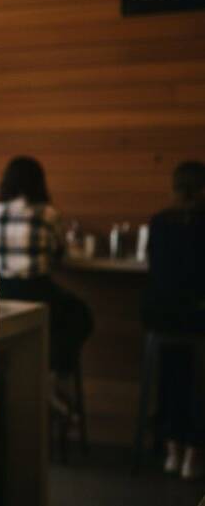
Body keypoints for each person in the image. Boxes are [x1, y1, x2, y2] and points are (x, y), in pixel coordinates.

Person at [0, 156, 93, 376]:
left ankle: (30, 369)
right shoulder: (48, 214)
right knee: (81, 316)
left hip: (1, 294)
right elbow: (59, 252)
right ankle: (54, 368)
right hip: (37, 292)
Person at [142, 160, 205, 480]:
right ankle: (193, 455)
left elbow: (153, 266)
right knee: (199, 382)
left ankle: (171, 450)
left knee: (170, 375)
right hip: (198, 318)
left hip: (161, 317)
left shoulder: (159, 223)